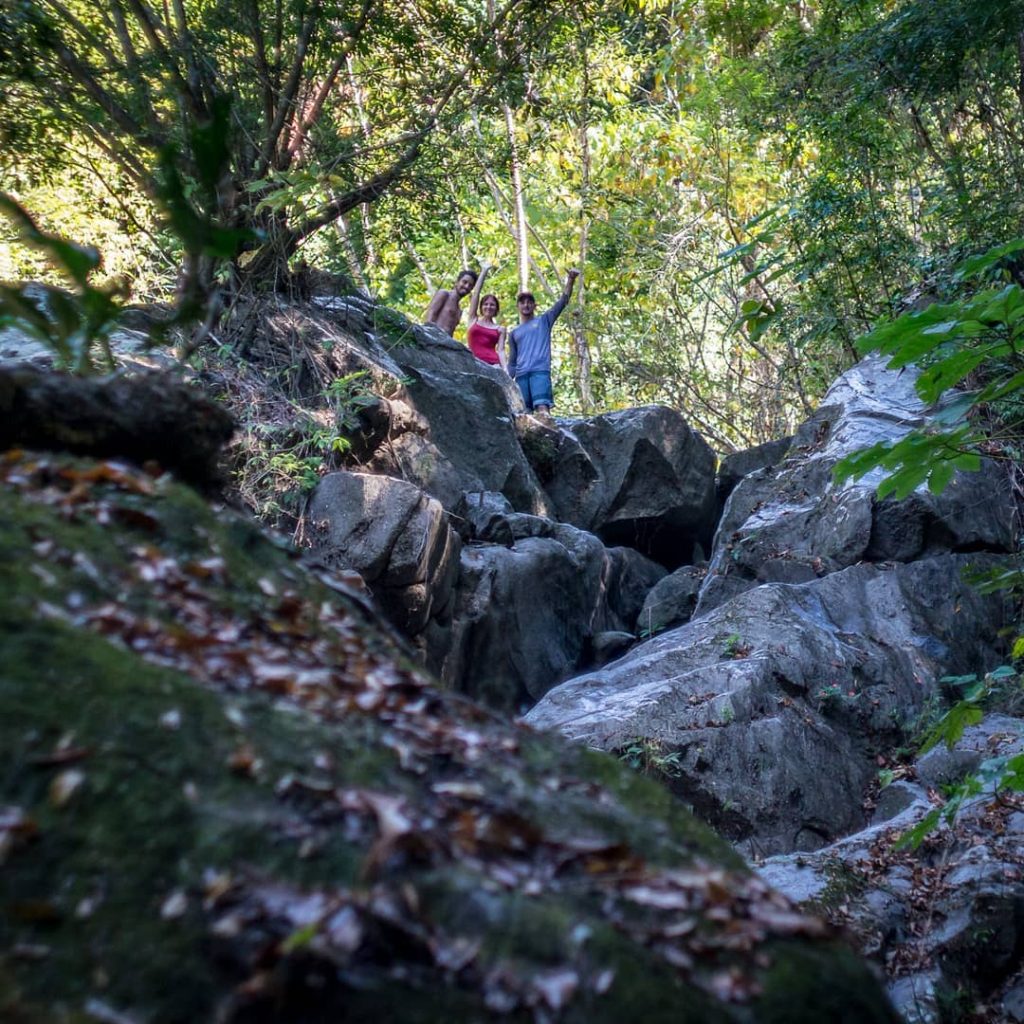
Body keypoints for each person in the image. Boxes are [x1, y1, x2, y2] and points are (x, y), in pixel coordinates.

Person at [507, 269, 580, 418]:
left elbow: (563, 301)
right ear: (518, 307)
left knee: (542, 408)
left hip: (539, 371)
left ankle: (549, 437)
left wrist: (571, 279)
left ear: (535, 306)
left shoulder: (544, 321)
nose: (526, 305)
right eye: (522, 302)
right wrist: (507, 381)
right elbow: (512, 362)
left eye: (529, 302)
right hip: (521, 376)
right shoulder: (514, 332)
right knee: (523, 414)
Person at [465, 262, 507, 370]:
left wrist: (505, 370)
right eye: (486, 304)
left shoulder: (500, 329)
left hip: (493, 365)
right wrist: (484, 271)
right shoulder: (473, 320)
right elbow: (476, 294)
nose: (489, 307)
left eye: (492, 305)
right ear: (481, 307)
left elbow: (501, 351)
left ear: (496, 309)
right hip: (473, 363)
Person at [424, 269, 477, 337]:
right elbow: (430, 314)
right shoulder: (444, 294)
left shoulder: (459, 310)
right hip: (432, 337)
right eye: (464, 282)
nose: (466, 286)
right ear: (457, 282)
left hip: (445, 343)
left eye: (470, 285)